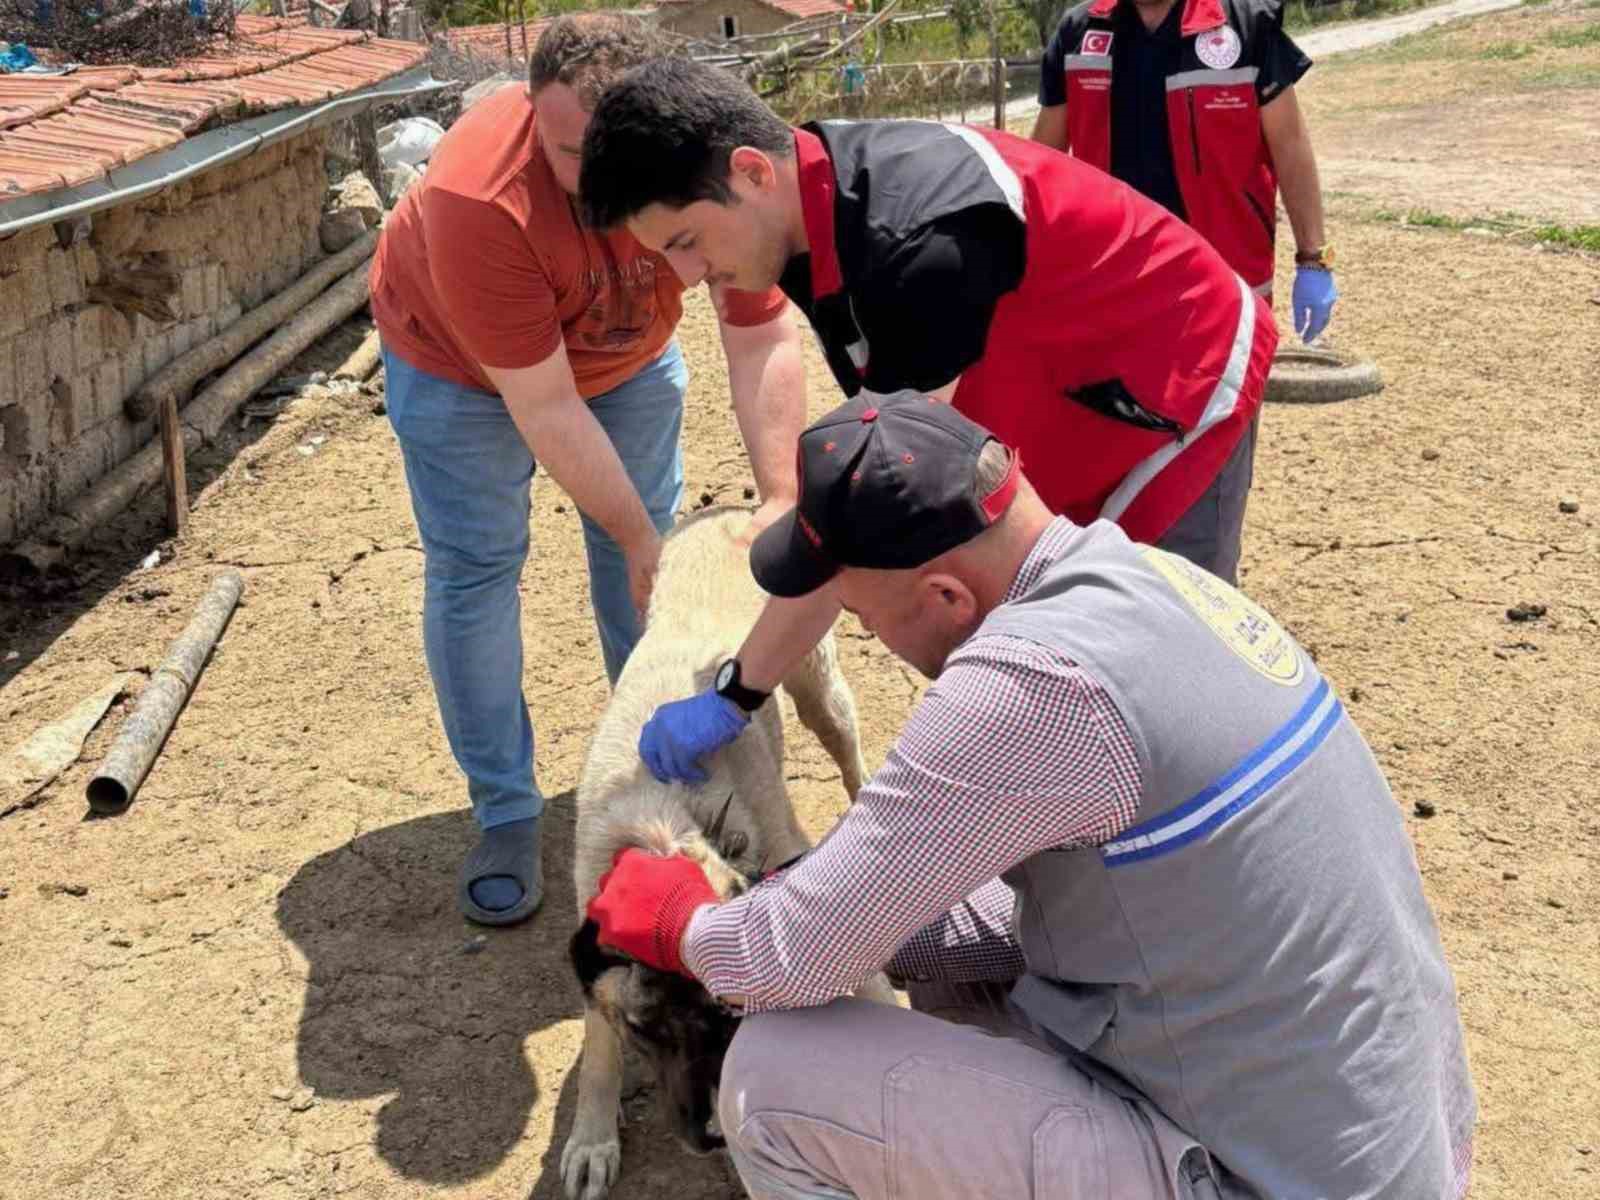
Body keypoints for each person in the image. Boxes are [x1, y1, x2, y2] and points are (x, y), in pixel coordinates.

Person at [585, 395, 1477, 1200]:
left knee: (774, 1080)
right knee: (939, 968)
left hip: (1267, 1178)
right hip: (1372, 1143)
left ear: (943, 595)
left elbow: (783, 963)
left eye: (866, 620)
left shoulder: (1029, 687)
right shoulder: (1152, 584)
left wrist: (682, 925)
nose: (873, 638)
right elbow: (1036, 910)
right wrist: (859, 913)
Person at [576, 56, 1277, 782]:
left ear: (752, 172)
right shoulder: (807, 214)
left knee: (1159, 664)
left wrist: (740, 689)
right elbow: (871, 485)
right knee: (1056, 630)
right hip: (1053, 381)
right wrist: (743, 687)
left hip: (1175, 382)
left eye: (687, 243)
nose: (688, 278)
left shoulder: (911, 246)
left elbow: (876, 506)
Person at [368, 15, 808, 926]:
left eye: (611, 151)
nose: (592, 177)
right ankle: (506, 809)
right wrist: (645, 535)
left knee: (644, 580)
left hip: (626, 359)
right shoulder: (479, 197)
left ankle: (657, 767)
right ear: (531, 114)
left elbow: (759, 326)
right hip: (463, 366)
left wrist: (782, 497)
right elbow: (546, 405)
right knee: (480, 566)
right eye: (568, 152)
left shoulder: (698, 151)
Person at [1032, 0, 1339, 341]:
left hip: (1223, 283)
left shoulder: (1245, 25)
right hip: (1112, 282)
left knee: (1224, 393)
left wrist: (1314, 259)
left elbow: (1290, 147)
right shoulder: (1079, 31)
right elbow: (1044, 162)